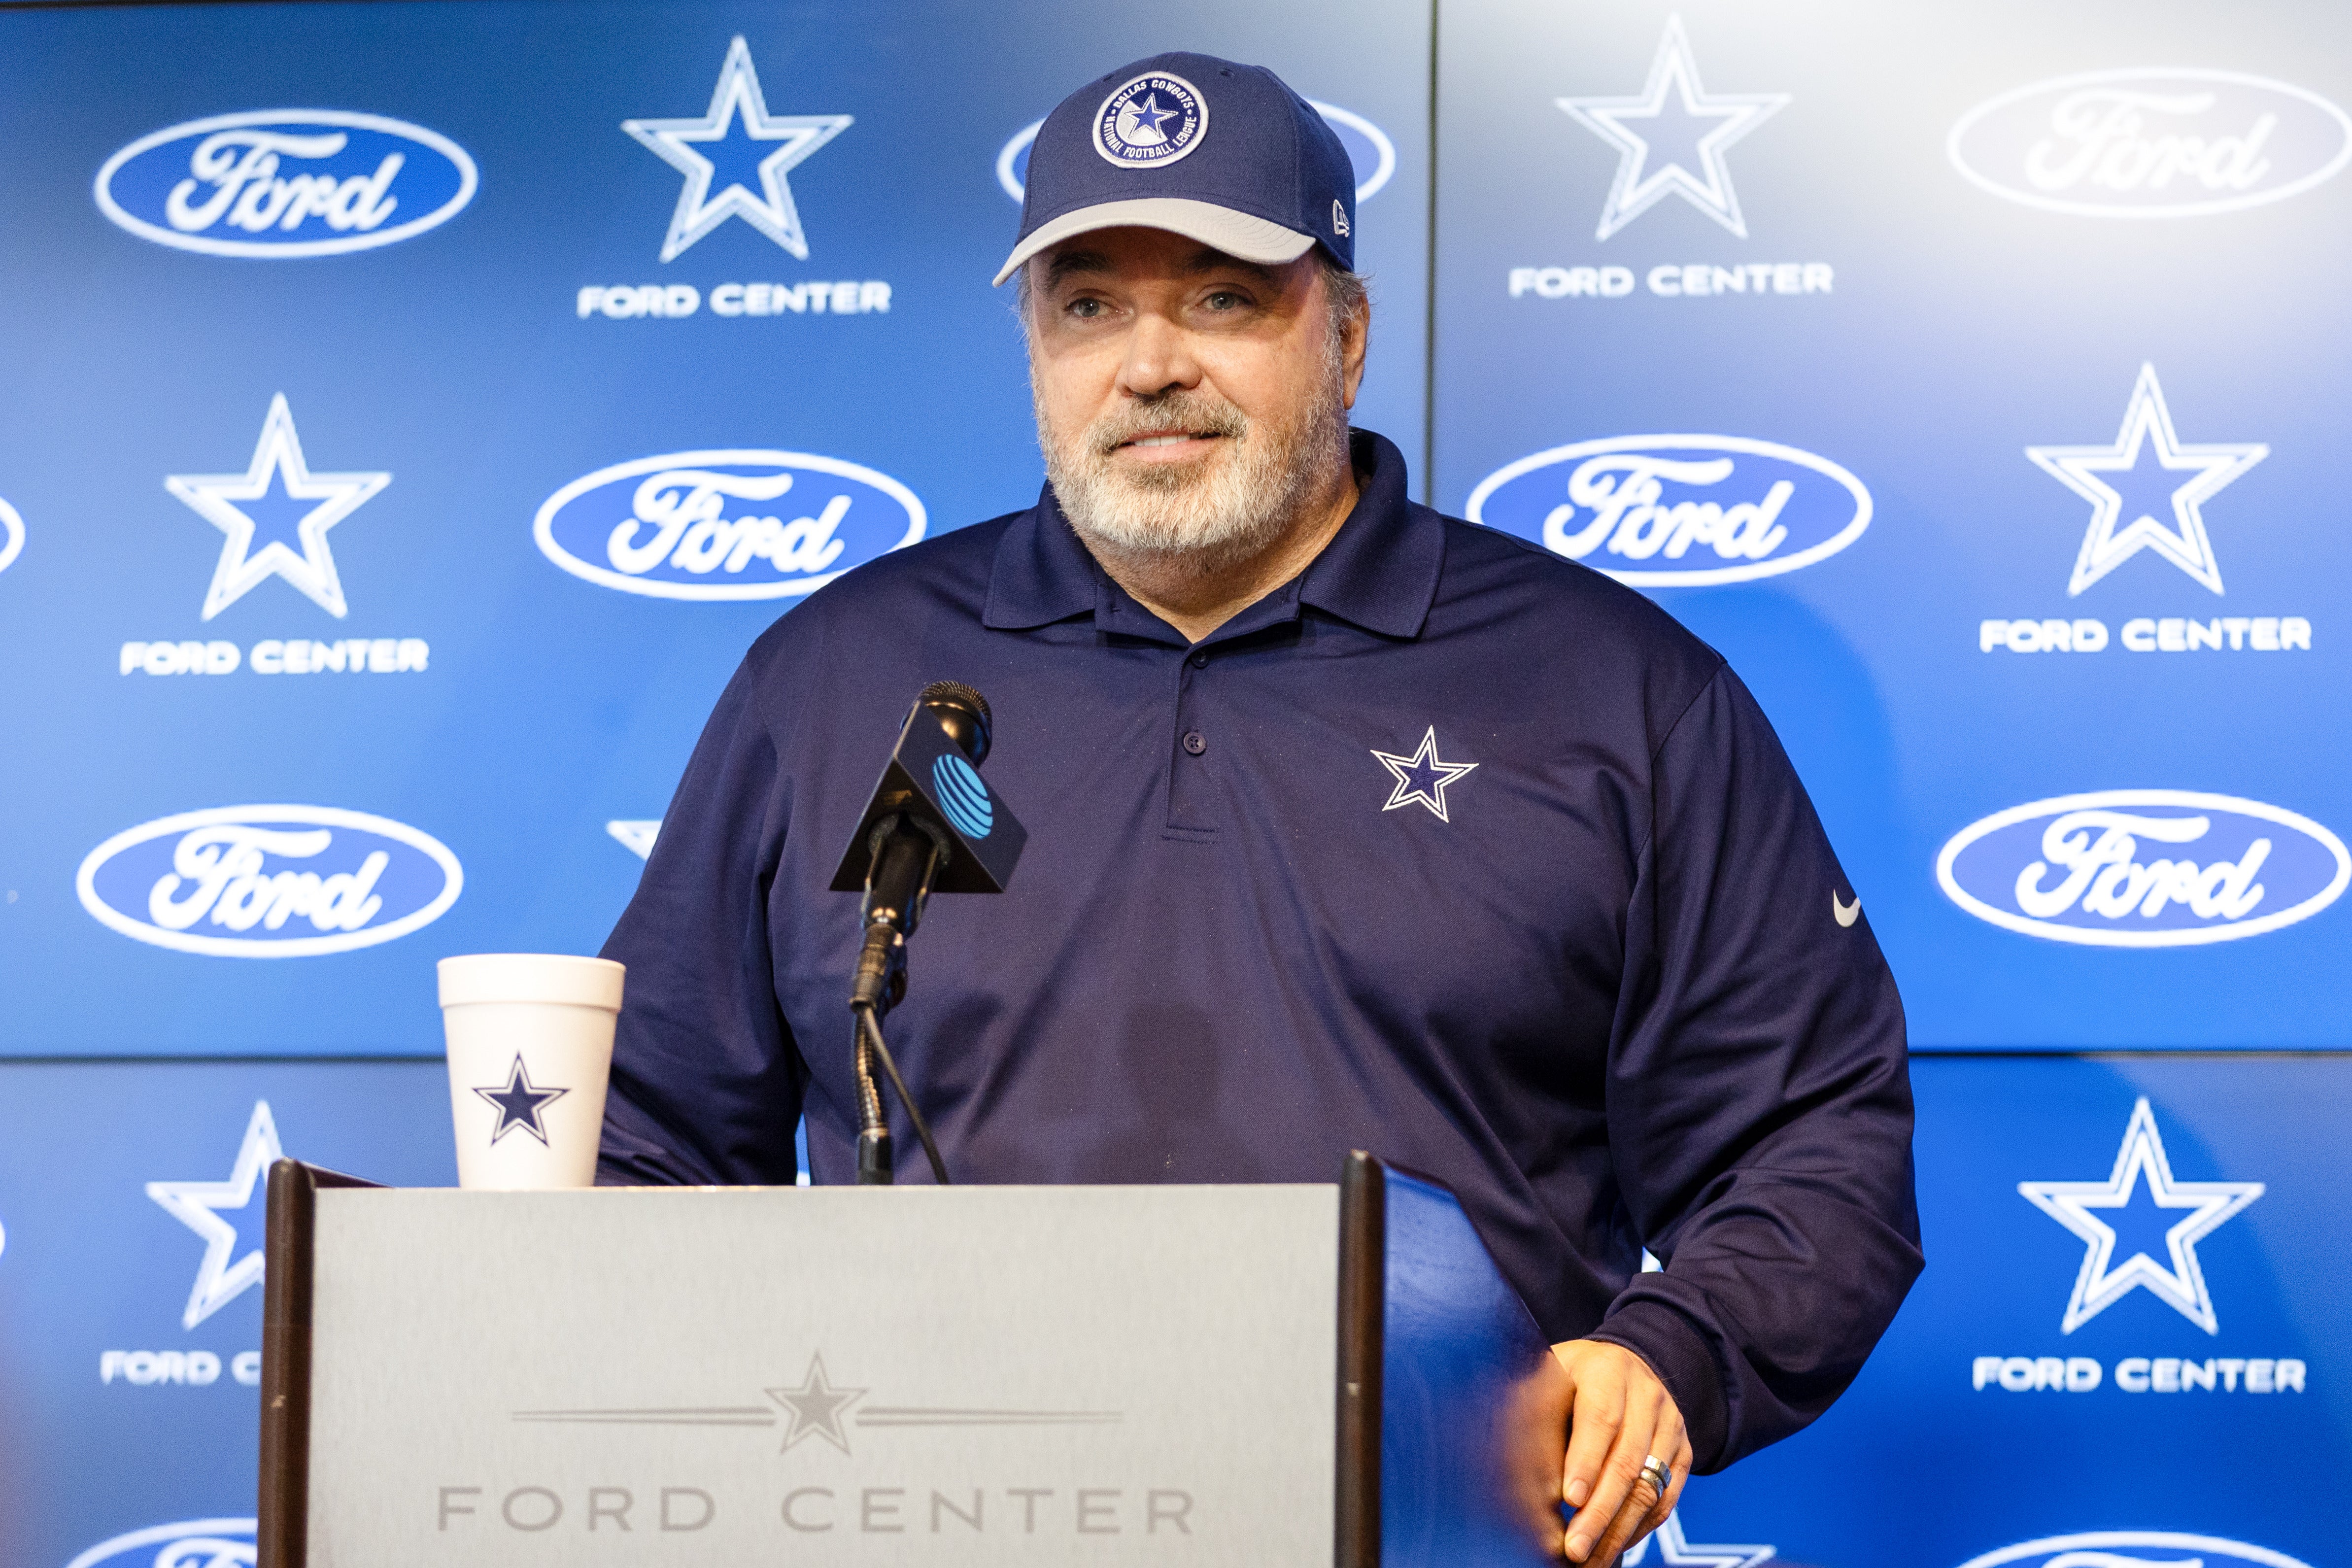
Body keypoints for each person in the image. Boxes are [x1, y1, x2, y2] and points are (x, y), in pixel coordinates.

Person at [597, 50, 1920, 1565]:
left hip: (1427, 1529)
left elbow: (1815, 1141)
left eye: (1224, 296)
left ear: (1347, 338)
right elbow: (649, 1139)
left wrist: (1669, 1354)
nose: (1150, 363)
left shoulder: (1616, 692)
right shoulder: (833, 678)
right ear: (1034, 348)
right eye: (1088, 305)